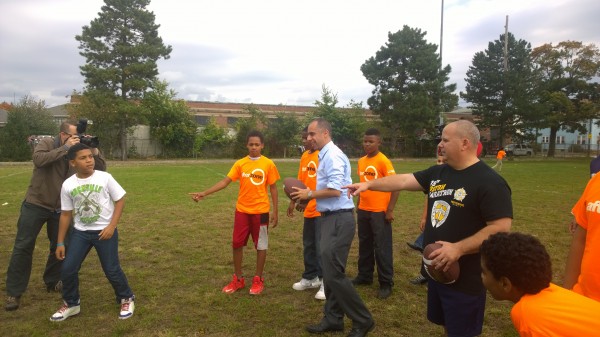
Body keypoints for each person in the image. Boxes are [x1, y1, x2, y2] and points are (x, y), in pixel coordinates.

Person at [345, 120, 512, 337]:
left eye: (445, 139)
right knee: (448, 326)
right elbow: (404, 181)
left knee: (463, 331)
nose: (439, 144)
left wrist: (458, 249)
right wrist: (368, 185)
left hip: (466, 277)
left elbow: (500, 228)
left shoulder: (490, 182)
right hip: (436, 268)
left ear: (464, 143)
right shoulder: (439, 173)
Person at [5, 121, 106, 311]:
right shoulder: (47, 143)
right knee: (23, 246)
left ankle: (52, 281)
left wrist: (94, 152)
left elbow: (99, 170)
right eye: (74, 136)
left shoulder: (78, 151)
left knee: (60, 246)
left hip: (61, 209)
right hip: (36, 204)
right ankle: (14, 292)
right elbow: (39, 160)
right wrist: (65, 149)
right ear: (63, 135)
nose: (78, 140)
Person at [292, 118, 374, 337]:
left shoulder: (333, 155)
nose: (308, 138)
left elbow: (336, 190)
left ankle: (363, 319)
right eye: (308, 135)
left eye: (312, 134)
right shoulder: (324, 154)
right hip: (330, 217)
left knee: (334, 273)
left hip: (339, 219)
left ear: (325, 133)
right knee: (329, 273)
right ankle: (334, 318)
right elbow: (327, 189)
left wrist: (309, 194)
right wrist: (309, 200)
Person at [50, 143, 134, 321]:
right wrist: (60, 242)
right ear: (73, 163)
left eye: (90, 156)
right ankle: (72, 304)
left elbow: (120, 200)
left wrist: (111, 226)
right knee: (68, 269)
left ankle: (126, 298)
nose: (89, 160)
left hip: (104, 232)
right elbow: (66, 214)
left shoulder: (105, 178)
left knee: (111, 269)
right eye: (83, 158)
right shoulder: (68, 185)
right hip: (80, 233)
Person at [189, 130, 279, 295]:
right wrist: (204, 193)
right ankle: (238, 279)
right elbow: (225, 181)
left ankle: (258, 279)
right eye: (251, 144)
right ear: (246, 145)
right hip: (242, 211)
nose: (253, 147)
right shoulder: (240, 164)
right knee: (236, 244)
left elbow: (273, 188)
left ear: (262, 145)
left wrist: (276, 211)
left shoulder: (268, 164)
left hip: (261, 212)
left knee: (261, 245)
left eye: (257, 144)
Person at [480, 231, 600, 336]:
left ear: (505, 284)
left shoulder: (527, 315)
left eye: (483, 272)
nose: (481, 276)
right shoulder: (553, 291)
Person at [352, 128, 399, 300]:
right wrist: (359, 204)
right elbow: (363, 184)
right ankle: (364, 276)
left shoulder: (383, 161)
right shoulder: (361, 161)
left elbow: (396, 186)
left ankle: (386, 282)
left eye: (371, 141)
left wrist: (390, 209)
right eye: (365, 141)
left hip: (380, 212)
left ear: (379, 142)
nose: (367, 144)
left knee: (382, 247)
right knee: (365, 244)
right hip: (364, 209)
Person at [287, 127, 324, 300]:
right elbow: (300, 182)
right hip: (308, 207)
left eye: (308, 137)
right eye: (303, 137)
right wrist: (294, 200)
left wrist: (307, 199)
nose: (305, 140)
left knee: (322, 246)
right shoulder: (305, 156)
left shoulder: (324, 155)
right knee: (309, 244)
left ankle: (325, 281)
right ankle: (311, 277)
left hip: (322, 207)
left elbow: (325, 184)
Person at [408, 154, 446, 286]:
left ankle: (439, 277)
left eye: (443, 161)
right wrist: (424, 218)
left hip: (445, 224)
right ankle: (425, 274)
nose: (440, 163)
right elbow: (428, 200)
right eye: (438, 161)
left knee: (440, 252)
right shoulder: (434, 179)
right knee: (428, 249)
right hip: (433, 221)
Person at [564, 172, 600, 302]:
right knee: (523, 312)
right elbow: (580, 240)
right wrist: (568, 294)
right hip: (584, 299)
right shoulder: (597, 180)